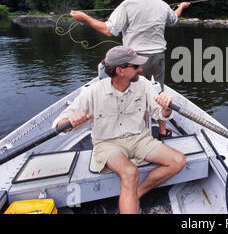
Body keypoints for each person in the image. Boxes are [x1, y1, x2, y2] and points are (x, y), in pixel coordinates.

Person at [52, 46, 186, 214]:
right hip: (108, 143)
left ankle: (137, 193)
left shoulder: (143, 84)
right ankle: (130, 197)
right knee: (130, 172)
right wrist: (70, 121)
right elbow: (58, 125)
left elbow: (159, 113)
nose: (141, 69)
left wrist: (166, 108)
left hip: (139, 138)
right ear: (120, 70)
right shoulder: (93, 92)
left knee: (178, 161)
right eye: (135, 66)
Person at [70, 0, 190, 140]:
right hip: (158, 57)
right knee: (160, 93)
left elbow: (108, 30)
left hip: (135, 59)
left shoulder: (127, 5)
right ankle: (163, 131)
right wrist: (181, 7)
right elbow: (174, 20)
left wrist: (85, 18)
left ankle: (141, 134)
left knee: (138, 94)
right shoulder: (162, 4)